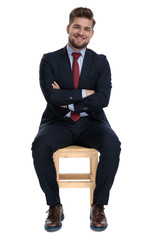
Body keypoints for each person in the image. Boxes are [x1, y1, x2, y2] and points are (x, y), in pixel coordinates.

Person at [31, 7, 121, 232]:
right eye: (77, 27)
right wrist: (86, 92)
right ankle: (54, 205)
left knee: (112, 143)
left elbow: (104, 99)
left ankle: (98, 205)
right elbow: (51, 96)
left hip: (91, 122)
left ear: (92, 33)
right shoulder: (49, 60)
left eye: (86, 29)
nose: (81, 32)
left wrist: (68, 98)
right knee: (39, 145)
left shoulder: (101, 62)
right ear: (68, 28)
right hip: (58, 122)